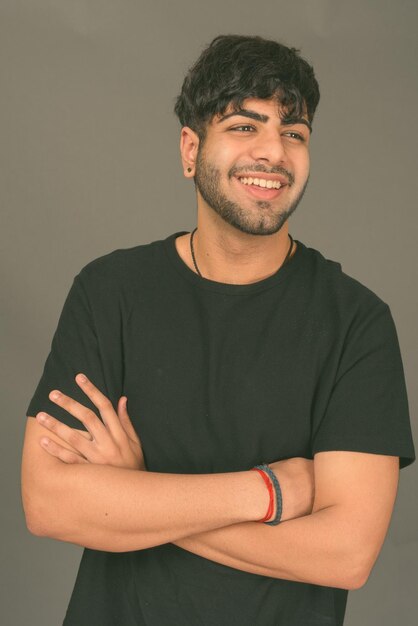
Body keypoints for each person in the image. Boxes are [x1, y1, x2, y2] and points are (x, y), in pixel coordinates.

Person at [21, 34, 415, 626]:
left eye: (294, 132)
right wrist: (269, 492)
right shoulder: (109, 292)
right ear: (189, 149)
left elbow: (346, 554)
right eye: (243, 126)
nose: (274, 152)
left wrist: (136, 493)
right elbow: (48, 503)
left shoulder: (356, 322)